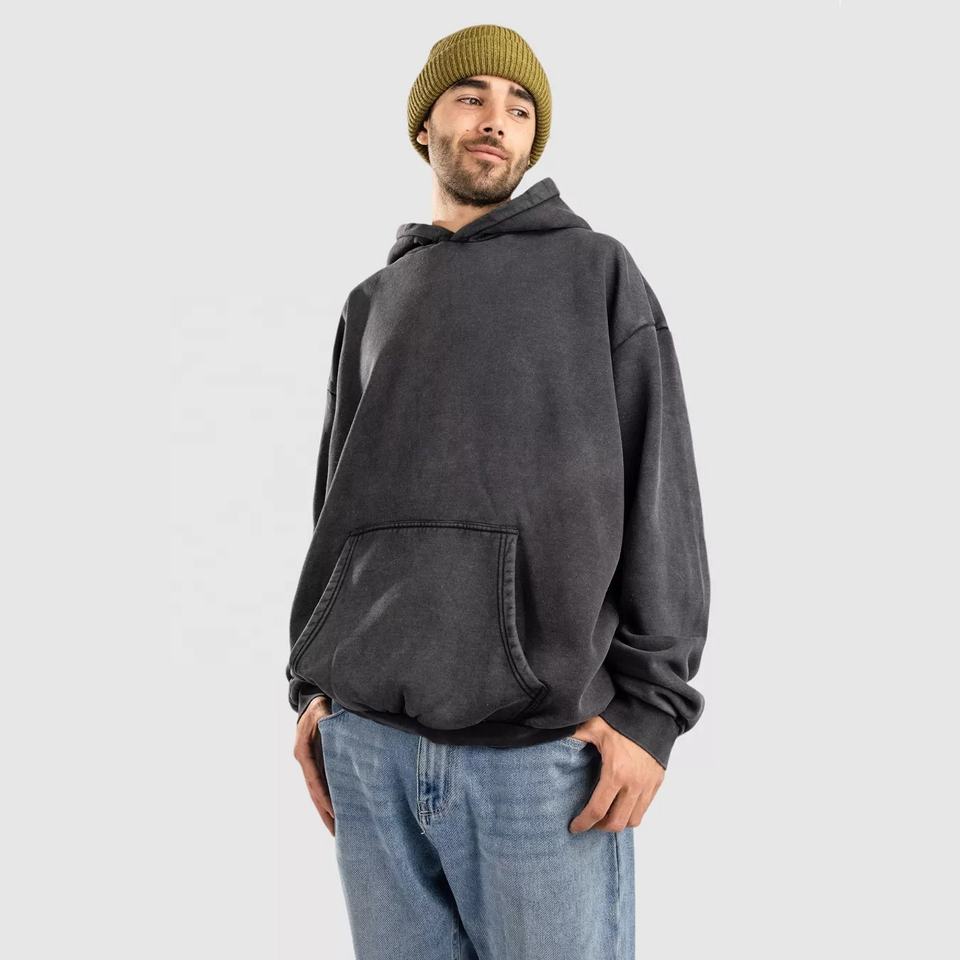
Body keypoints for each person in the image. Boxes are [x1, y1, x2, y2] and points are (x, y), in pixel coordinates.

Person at [287, 23, 710, 960]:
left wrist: (652, 715)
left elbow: (663, 493)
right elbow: (335, 506)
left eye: (520, 109)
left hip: (540, 759)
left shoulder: (596, 272)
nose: (496, 120)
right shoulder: (373, 301)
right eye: (471, 97)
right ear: (424, 124)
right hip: (368, 751)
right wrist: (313, 689)